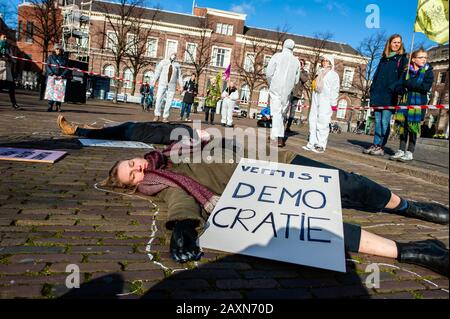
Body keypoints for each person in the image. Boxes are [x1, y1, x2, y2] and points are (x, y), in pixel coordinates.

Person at [103, 140, 449, 276]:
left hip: (273, 160)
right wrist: (181, 226)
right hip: (257, 194)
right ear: (135, 186)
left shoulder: (173, 147)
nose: (138, 170)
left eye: (132, 164)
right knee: (321, 232)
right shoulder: (161, 185)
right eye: (131, 177)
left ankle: (407, 206)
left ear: (136, 157)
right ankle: (416, 252)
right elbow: (180, 200)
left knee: (348, 184)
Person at [363, 34, 408, 156]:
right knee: (377, 121)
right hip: (378, 94)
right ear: (390, 43)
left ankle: (381, 146)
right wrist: (372, 90)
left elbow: (402, 77)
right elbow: (376, 76)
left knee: (384, 121)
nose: (396, 44)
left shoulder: (402, 58)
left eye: (398, 42)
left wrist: (393, 88)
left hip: (389, 95)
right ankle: (375, 144)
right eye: (394, 42)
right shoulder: (384, 58)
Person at [389, 48, 434, 162]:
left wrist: (408, 84)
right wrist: (401, 88)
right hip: (404, 102)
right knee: (402, 127)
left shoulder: (428, 72)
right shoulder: (406, 72)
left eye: (425, 57)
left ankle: (409, 152)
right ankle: (401, 150)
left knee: (412, 128)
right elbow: (398, 85)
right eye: (421, 57)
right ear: (413, 59)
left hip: (418, 104)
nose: (424, 60)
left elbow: (425, 87)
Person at [56, 115, 211, 146]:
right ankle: (87, 129)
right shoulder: (187, 130)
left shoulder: (187, 137)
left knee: (105, 134)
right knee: (109, 130)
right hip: (138, 126)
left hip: (137, 132)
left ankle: (75, 130)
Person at [266, 39, 301, 147]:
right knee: (281, 113)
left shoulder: (277, 56)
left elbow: (268, 73)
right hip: (287, 90)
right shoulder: (296, 61)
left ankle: (279, 137)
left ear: (283, 46)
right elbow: (296, 79)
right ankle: (273, 136)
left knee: (276, 113)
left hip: (276, 87)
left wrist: (271, 83)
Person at [303, 55, 340, 154]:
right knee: (313, 120)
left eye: (326, 61)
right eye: (323, 61)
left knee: (322, 122)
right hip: (316, 99)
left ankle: (321, 145)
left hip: (326, 101)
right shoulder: (319, 73)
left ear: (330, 63)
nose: (324, 62)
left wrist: (333, 103)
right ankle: (312, 142)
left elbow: (335, 90)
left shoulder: (333, 75)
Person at [152, 53, 184, 122]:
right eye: (173, 54)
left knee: (169, 101)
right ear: (169, 54)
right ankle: (157, 115)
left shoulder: (177, 65)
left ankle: (165, 117)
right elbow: (157, 71)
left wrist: (181, 86)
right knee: (159, 98)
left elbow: (179, 76)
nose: (174, 56)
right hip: (162, 83)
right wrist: (154, 81)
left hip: (172, 85)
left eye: (175, 55)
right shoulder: (163, 62)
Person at [286, 58, 309, 133]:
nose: (300, 64)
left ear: (303, 65)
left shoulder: (304, 73)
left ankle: (288, 127)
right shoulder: (292, 70)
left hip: (297, 95)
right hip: (290, 92)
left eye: (301, 63)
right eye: (299, 62)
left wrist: (299, 71)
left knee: (292, 112)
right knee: (285, 109)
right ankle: (281, 125)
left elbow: (304, 79)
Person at [45, 44, 69, 112]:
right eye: (57, 49)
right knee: (51, 91)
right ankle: (50, 106)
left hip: (61, 77)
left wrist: (62, 75)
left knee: (59, 92)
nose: (58, 50)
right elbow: (47, 66)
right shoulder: (50, 57)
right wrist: (52, 74)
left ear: (62, 50)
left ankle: (58, 106)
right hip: (52, 77)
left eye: (59, 49)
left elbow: (67, 68)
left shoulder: (65, 58)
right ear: (54, 50)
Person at [0, 32, 20, 109]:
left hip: (7, 70)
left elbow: (13, 59)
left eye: (6, 37)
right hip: (0, 68)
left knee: (11, 87)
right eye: (4, 37)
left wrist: (9, 59)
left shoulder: (8, 48)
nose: (5, 39)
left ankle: (14, 103)